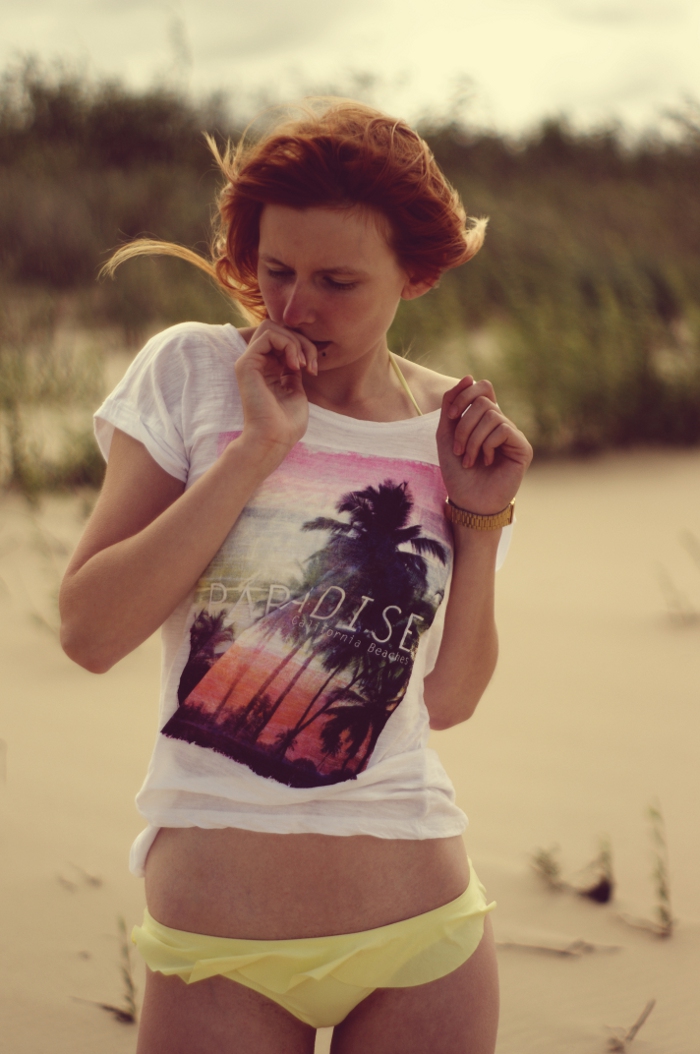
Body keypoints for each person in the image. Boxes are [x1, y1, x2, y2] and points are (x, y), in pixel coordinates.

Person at [59, 100, 532, 1054]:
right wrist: (257, 449)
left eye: (337, 281)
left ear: (416, 274)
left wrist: (480, 521)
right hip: (217, 944)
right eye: (276, 271)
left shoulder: (450, 424)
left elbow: (450, 700)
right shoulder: (194, 371)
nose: (293, 308)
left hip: (423, 931)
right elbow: (89, 632)